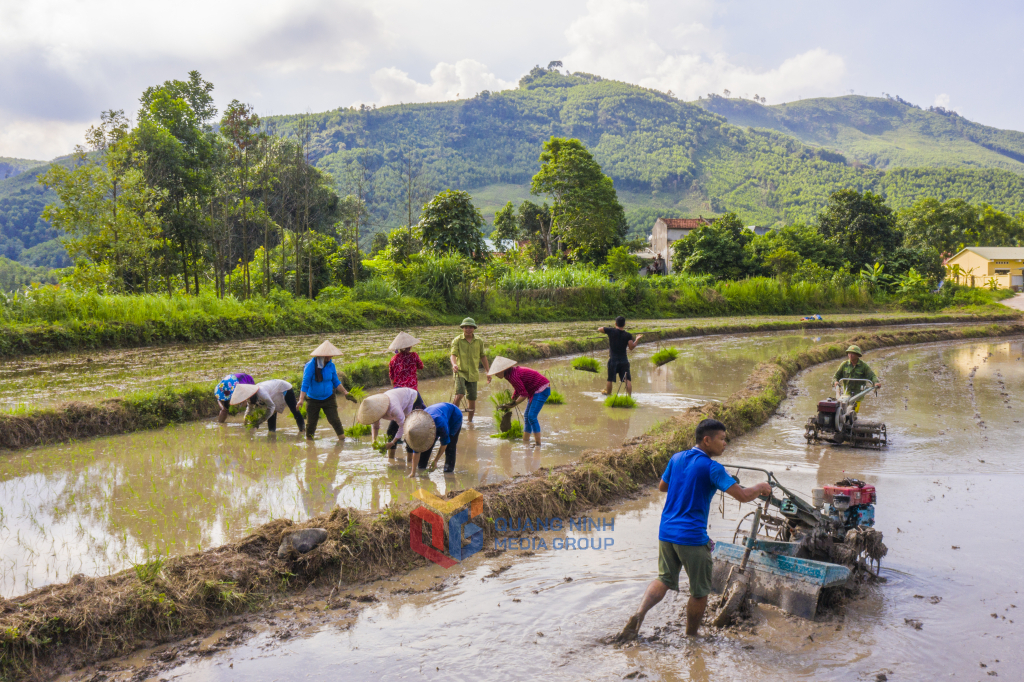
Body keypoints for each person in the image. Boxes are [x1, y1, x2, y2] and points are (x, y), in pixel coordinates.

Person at [615, 419, 772, 642]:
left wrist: (687, 482)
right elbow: (744, 495)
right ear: (707, 440)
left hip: (667, 532)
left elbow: (662, 487)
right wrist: (761, 487)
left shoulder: (677, 458)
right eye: (721, 439)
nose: (725, 443)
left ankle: (639, 614)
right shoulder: (712, 467)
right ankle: (692, 637)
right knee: (700, 592)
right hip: (692, 537)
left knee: (664, 579)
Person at [298, 340, 357, 440]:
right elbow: (305, 383)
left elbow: (336, 382)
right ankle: (309, 445)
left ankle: (342, 440)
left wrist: (345, 392)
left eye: (331, 355)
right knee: (311, 424)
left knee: (335, 420)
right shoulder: (311, 366)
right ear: (321, 355)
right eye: (327, 356)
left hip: (328, 398)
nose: (330, 357)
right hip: (313, 399)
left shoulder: (331, 365)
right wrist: (301, 399)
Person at [488, 356, 550, 447]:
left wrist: (514, 404)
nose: (496, 375)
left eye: (497, 373)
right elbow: (519, 388)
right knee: (526, 416)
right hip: (534, 390)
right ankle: (525, 442)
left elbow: (524, 394)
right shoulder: (509, 374)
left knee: (532, 416)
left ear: (503, 370)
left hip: (541, 388)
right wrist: (513, 399)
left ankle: (538, 444)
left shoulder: (513, 375)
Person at [357, 387, 426, 458]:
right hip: (400, 404)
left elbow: (403, 425)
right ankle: (391, 459)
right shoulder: (375, 411)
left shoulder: (393, 409)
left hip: (413, 399)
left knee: (410, 432)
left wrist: (393, 442)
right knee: (391, 432)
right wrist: (374, 440)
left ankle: (410, 462)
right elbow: (375, 426)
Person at [450, 317, 491, 422]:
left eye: (471, 327)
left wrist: (488, 371)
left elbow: (483, 356)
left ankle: (469, 421)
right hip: (460, 371)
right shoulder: (457, 340)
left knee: (472, 398)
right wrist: (454, 364)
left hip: (473, 373)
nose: (468, 329)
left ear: (474, 328)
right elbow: (453, 354)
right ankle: (451, 417)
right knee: (460, 394)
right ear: (462, 328)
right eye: (466, 327)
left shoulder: (479, 341)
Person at [406, 403, 463, 475]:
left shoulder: (440, 424)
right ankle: (421, 468)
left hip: (454, 417)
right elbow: (416, 450)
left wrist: (435, 461)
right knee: (426, 445)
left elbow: (445, 443)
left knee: (450, 446)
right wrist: (413, 473)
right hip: (436, 416)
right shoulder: (417, 428)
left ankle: (448, 472)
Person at [233, 379, 305, 433]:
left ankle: (302, 430)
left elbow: (271, 407)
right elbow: (249, 409)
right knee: (271, 415)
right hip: (272, 393)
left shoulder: (261, 393)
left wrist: (259, 421)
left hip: (284, 388)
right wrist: (245, 422)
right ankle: (272, 433)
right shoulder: (250, 397)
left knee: (294, 410)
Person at [597, 316, 643, 397]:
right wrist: (637, 339)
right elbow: (631, 347)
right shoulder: (628, 335)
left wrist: (610, 329)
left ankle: (609, 395)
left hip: (613, 360)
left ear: (615, 323)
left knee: (610, 379)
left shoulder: (611, 331)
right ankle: (629, 398)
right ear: (624, 324)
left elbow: (600, 329)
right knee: (627, 380)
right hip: (624, 360)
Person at [833, 344, 881, 412]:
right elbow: (836, 376)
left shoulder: (863, 366)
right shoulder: (844, 365)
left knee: (853, 413)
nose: (850, 355)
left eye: (853, 354)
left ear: (858, 355)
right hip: (846, 393)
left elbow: (872, 375)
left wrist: (876, 382)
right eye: (849, 353)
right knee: (842, 410)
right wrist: (835, 382)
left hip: (858, 395)